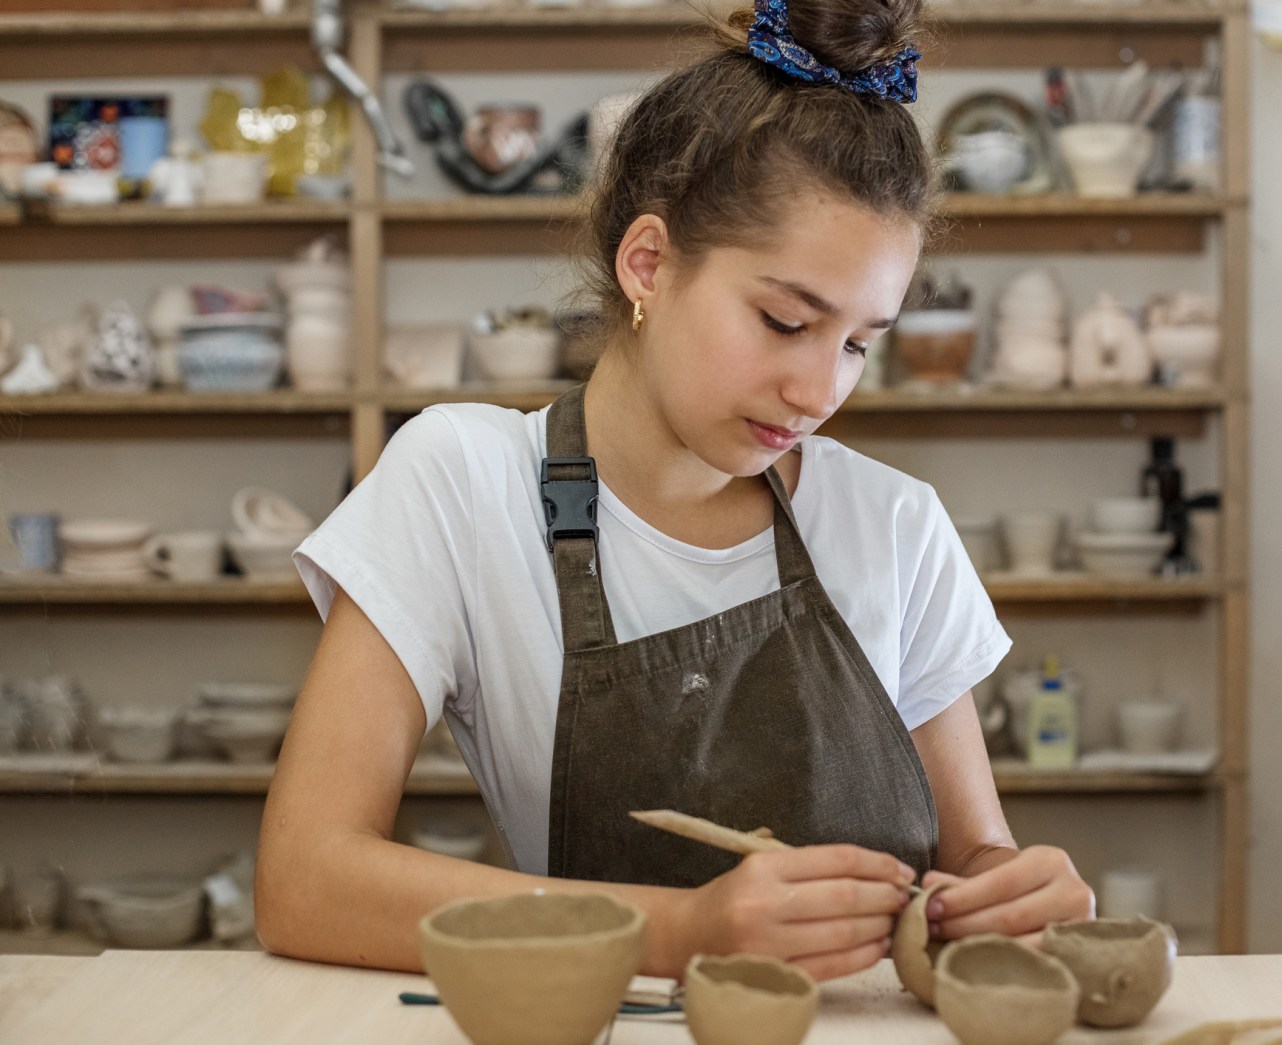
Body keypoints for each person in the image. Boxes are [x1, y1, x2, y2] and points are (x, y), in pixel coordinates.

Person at [255, 0, 1092, 981]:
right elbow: (304, 880)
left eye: (860, 342)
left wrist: (1009, 886)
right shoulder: (463, 483)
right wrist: (679, 931)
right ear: (646, 262)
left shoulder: (890, 523)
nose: (818, 390)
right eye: (785, 321)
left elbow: (972, 854)